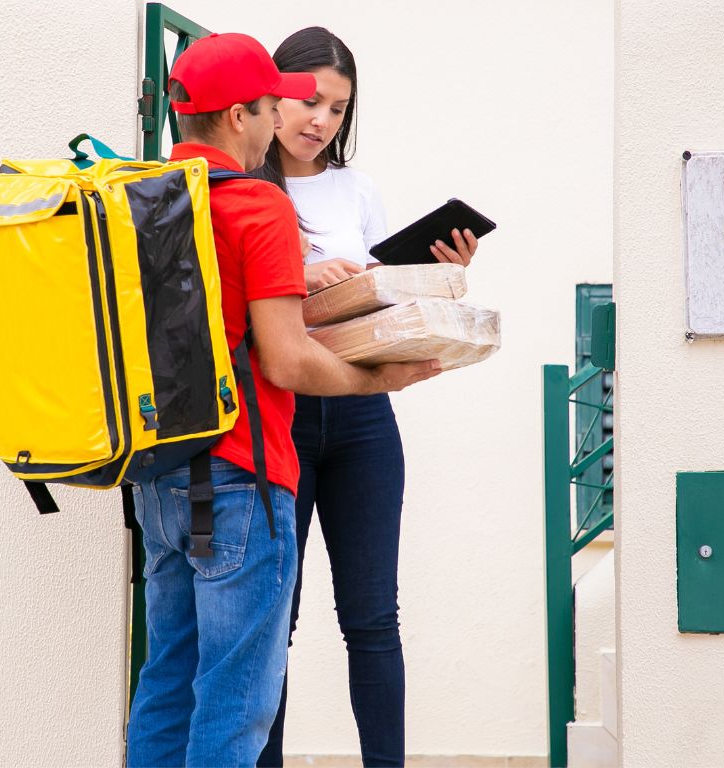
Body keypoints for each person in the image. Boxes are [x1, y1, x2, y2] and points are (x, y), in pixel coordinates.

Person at [126, 32, 442, 767]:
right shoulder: (258, 206)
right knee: (238, 704)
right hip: (245, 470)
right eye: (278, 105)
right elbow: (288, 357)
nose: (292, 119)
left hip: (163, 474)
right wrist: (383, 379)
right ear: (239, 116)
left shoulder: (145, 194)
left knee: (170, 681)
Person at [253, 27, 478, 767]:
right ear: (271, 94)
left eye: (338, 108)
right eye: (308, 99)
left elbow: (387, 306)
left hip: (361, 421)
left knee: (374, 619)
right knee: (270, 623)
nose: (320, 120)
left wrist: (443, 273)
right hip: (280, 416)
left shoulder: (358, 189)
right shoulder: (245, 191)